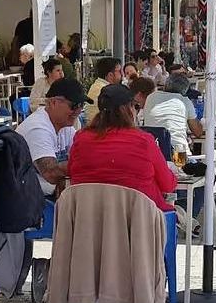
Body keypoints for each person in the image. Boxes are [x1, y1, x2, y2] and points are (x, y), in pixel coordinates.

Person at [68, 83, 177, 213]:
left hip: (90, 219)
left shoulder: (81, 139)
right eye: (136, 106)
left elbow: (71, 172)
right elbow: (167, 185)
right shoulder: (144, 141)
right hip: (139, 220)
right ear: (129, 109)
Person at [17, 78, 86, 197]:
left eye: (82, 105)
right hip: (30, 198)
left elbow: (81, 154)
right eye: (74, 105)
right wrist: (89, 163)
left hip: (46, 194)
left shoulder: (66, 126)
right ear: (53, 103)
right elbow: (51, 173)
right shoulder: (37, 128)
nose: (79, 111)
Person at [136, 73, 204, 162]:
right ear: (185, 90)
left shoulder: (151, 97)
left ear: (166, 85)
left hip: (155, 153)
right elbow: (198, 132)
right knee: (198, 165)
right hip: (178, 155)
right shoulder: (185, 101)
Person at [85, 57, 122, 123]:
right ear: (110, 75)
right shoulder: (108, 91)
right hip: (102, 127)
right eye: (119, 71)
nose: (122, 74)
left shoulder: (97, 86)